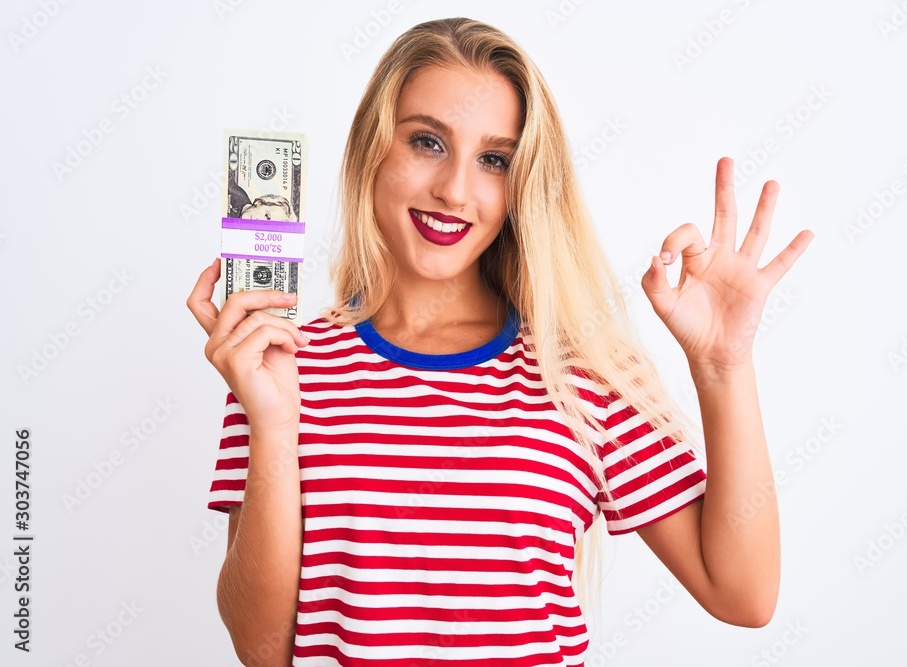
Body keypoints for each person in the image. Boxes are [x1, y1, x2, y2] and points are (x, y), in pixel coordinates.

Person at [186, 17, 813, 667]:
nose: (455, 190)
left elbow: (744, 594)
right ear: (373, 149)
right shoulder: (279, 362)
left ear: (522, 185)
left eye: (494, 159)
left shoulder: (580, 371)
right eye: (427, 142)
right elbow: (261, 649)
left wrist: (722, 365)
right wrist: (273, 418)